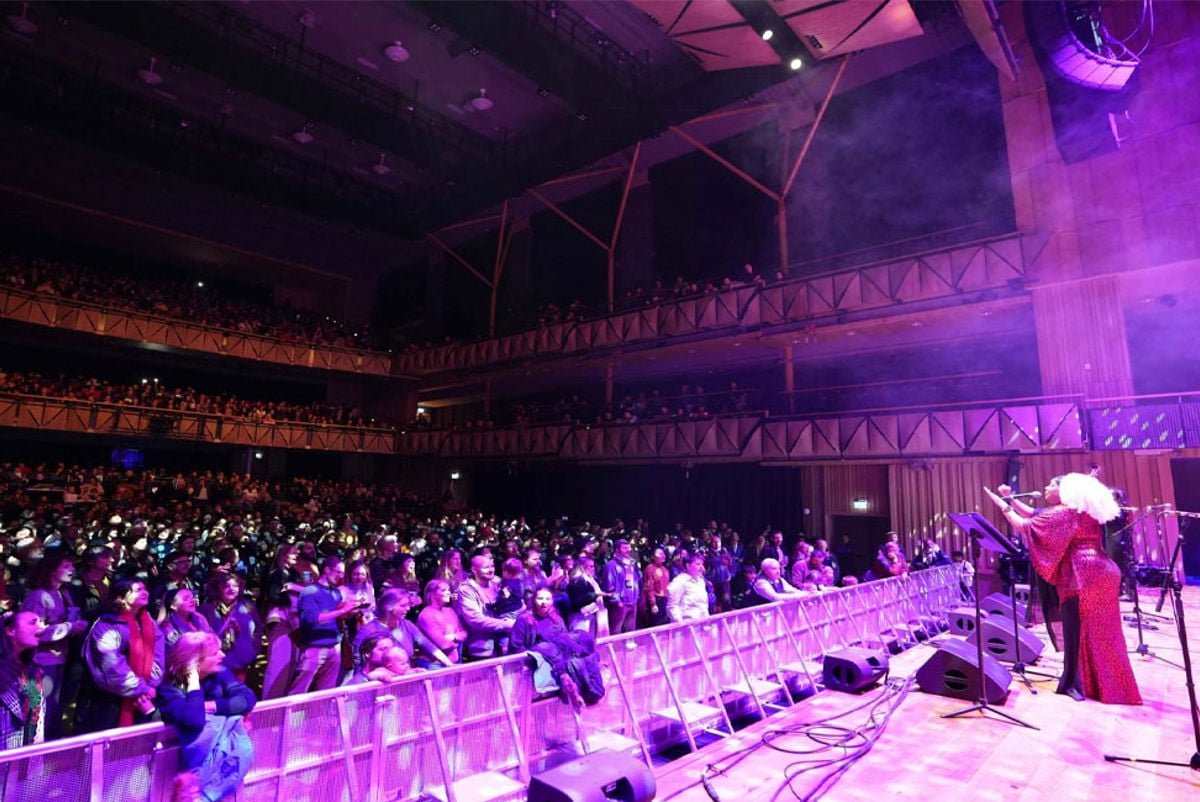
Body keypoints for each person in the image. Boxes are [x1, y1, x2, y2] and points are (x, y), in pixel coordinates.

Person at [988, 474, 1141, 704]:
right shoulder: (1081, 511)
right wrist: (1011, 499)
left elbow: (1024, 525)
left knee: (1077, 631)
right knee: (1103, 634)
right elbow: (1035, 514)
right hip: (1102, 572)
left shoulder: (1065, 513)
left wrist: (1002, 505)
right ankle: (1109, 687)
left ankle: (1081, 684)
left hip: (1083, 575)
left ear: (1065, 491)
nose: (1046, 487)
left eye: (1052, 484)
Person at [157, 632, 256, 802]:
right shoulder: (169, 690)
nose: (222, 655)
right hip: (180, 777)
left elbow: (248, 698)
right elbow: (194, 720)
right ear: (194, 661)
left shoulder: (220, 675)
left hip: (222, 768)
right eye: (214, 653)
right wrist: (194, 683)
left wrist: (212, 706)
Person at [77, 578, 164, 733]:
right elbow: (112, 667)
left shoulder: (148, 622)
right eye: (138, 590)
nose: (145, 593)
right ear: (120, 598)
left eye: (145, 589)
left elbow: (157, 655)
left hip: (143, 696)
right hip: (110, 698)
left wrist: (150, 685)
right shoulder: (107, 624)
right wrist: (142, 688)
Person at [20, 548, 87, 739]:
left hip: (58, 661)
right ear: (51, 570)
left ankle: (49, 750)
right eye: (66, 566)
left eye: (72, 565)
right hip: (38, 663)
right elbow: (33, 632)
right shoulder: (38, 596)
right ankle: (30, 756)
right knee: (37, 710)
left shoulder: (63, 594)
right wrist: (69, 627)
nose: (72, 569)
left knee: (53, 709)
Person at [289, 556, 363, 695]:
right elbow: (311, 619)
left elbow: (337, 617)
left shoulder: (336, 593)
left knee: (325, 692)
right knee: (299, 691)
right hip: (315, 647)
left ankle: (318, 716)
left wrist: (352, 610)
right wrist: (341, 610)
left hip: (334, 646)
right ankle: (291, 717)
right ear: (327, 570)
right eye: (338, 572)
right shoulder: (310, 591)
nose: (341, 576)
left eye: (343, 573)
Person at [0, 610, 47, 749]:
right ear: (10, 630)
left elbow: (36, 718)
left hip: (24, 760)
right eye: (33, 622)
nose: (41, 628)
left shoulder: (32, 670)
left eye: (40, 622)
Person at [416, 580, 466, 664]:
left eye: (448, 590)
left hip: (455, 661)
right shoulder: (426, 615)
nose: (448, 593)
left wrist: (453, 637)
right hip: (435, 664)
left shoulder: (450, 610)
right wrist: (458, 640)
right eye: (443, 590)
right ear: (432, 594)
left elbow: (464, 633)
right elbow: (443, 644)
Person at [666, 553, 710, 623]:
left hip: (703, 625)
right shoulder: (679, 581)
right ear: (688, 566)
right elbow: (672, 606)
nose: (701, 567)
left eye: (702, 564)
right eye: (698, 564)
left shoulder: (700, 581)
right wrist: (680, 624)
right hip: (687, 628)